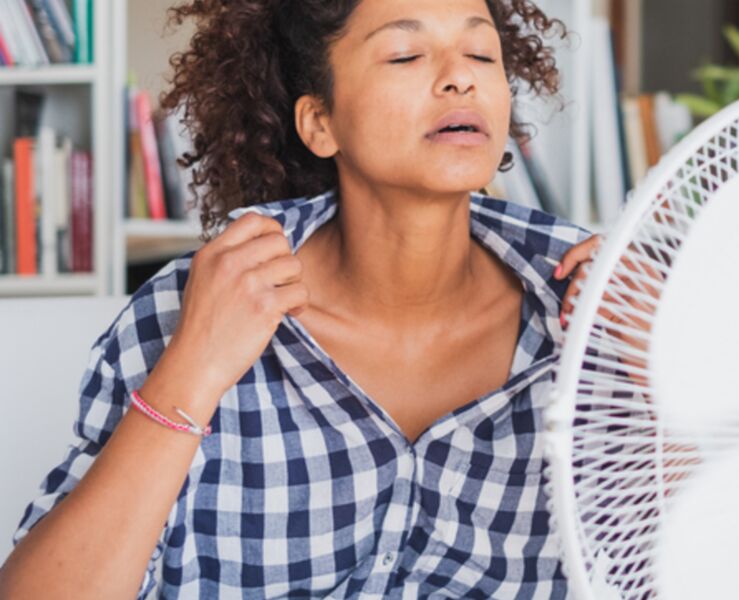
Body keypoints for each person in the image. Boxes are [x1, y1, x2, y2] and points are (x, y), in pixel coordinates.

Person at [0, 0, 606, 597]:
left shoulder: (600, 311)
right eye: (405, 55)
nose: (460, 76)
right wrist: (193, 371)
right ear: (321, 123)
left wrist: (655, 370)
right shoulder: (198, 303)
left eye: (481, 53)